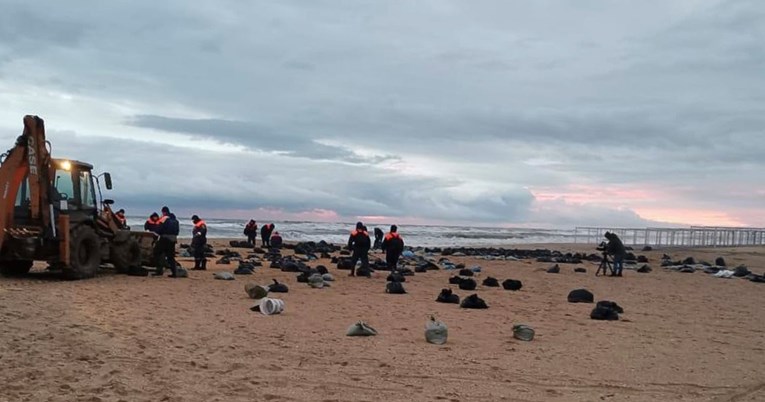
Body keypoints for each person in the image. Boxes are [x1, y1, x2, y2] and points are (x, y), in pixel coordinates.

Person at [153, 206, 180, 277]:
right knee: (170, 256)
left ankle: (159, 270)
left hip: (165, 238)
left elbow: (159, 229)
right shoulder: (176, 221)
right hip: (173, 239)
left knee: (157, 253)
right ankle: (174, 273)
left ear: (163, 212)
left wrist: (155, 236)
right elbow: (177, 232)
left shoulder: (164, 218)